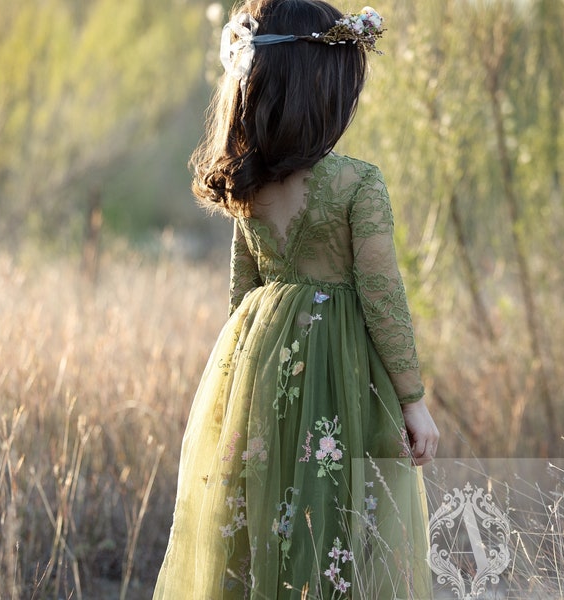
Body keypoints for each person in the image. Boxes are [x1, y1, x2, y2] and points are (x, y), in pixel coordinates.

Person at [153, 1, 439, 598]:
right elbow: (383, 295)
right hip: (343, 375)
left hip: (258, 369)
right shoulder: (358, 183)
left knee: (266, 514)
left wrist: (235, 388)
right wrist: (411, 398)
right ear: (320, 94)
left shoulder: (248, 185)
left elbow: (243, 294)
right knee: (342, 520)